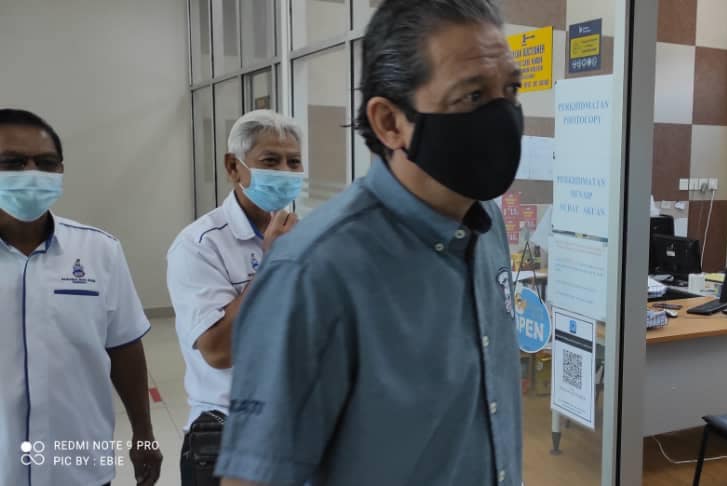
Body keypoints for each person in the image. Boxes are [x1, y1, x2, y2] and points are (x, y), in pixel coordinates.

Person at [214, 0, 524, 484]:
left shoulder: (487, 225)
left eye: (511, 90)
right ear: (390, 123)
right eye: (472, 95)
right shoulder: (314, 272)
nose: (502, 115)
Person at [0, 108, 162, 486]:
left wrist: (143, 433)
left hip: (77, 466)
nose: (32, 173)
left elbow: (124, 347)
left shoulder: (99, 251)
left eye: (45, 163)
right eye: (13, 162)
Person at [166, 110, 304, 486]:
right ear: (233, 167)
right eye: (270, 161)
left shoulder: (305, 234)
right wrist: (273, 265)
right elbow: (218, 350)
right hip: (227, 433)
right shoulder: (199, 246)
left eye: (294, 162)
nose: (285, 172)